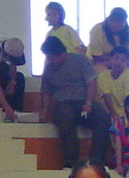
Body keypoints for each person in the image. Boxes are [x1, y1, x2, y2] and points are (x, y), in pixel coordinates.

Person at [41, 36, 107, 169]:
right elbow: (46, 93)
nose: (49, 61)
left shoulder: (80, 60)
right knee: (65, 116)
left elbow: (91, 83)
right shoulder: (48, 69)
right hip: (62, 105)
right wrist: (43, 113)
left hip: (83, 104)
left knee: (103, 117)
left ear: (62, 54)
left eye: (51, 57)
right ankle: (72, 164)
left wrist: (88, 103)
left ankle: (95, 163)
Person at [96, 46, 129, 122]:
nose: (118, 62)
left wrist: (125, 119)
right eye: (116, 58)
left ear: (127, 63)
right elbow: (106, 96)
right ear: (111, 59)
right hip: (107, 112)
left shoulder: (128, 77)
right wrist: (114, 116)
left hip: (125, 113)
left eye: (123, 60)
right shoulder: (103, 75)